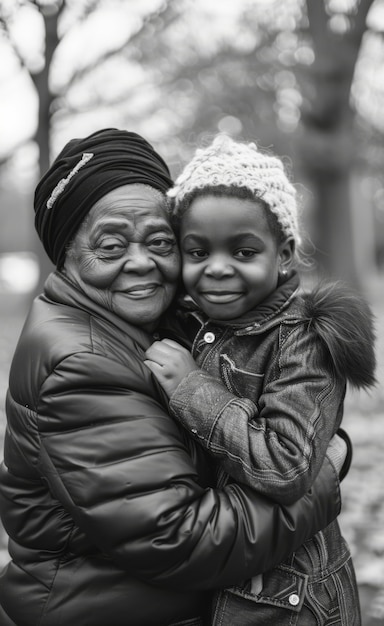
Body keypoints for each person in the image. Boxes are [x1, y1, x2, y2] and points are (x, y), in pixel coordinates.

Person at [0, 129, 346, 626]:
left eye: (160, 242)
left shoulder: (160, 324)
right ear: (66, 255)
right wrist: (325, 469)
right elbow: (180, 541)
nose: (141, 262)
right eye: (111, 244)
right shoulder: (81, 361)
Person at [144, 134, 377, 625]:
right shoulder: (193, 325)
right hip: (222, 577)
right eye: (197, 252)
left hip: (289, 601)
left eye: (244, 252)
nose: (218, 268)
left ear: (285, 253)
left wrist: (193, 390)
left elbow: (288, 467)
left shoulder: (304, 341)